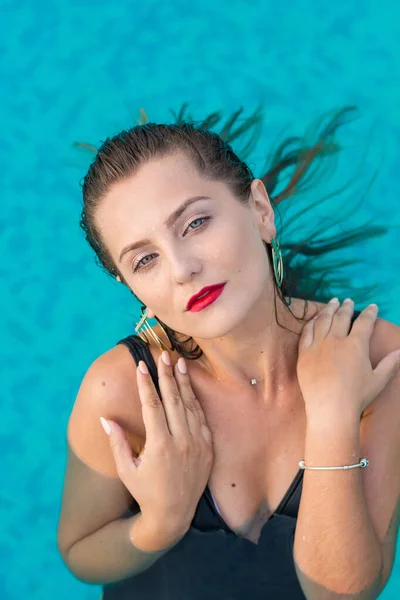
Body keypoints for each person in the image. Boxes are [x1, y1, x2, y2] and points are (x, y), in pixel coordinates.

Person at [56, 107, 400, 599]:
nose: (181, 268)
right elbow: (78, 551)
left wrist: (332, 417)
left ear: (260, 210)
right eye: (145, 259)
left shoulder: (379, 359)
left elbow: (343, 594)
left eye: (195, 223)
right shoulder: (120, 391)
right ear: (129, 283)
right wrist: (158, 525)